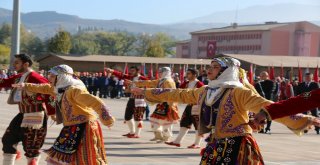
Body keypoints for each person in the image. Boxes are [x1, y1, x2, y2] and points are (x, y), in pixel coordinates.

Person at [131, 57, 319, 164]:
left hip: (238, 145)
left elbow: (267, 106)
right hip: (216, 143)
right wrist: (146, 91)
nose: (210, 70)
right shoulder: (205, 91)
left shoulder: (239, 93)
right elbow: (179, 94)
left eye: (214, 67)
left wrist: (301, 118)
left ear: (226, 71)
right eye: (209, 67)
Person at [13, 64, 115, 165]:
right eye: (50, 75)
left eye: (53, 76)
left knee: (85, 158)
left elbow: (96, 102)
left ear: (62, 77)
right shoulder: (60, 88)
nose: (49, 78)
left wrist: (107, 120)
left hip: (85, 127)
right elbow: (44, 88)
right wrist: (25, 85)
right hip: (71, 127)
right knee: (59, 157)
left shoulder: (74, 90)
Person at [0, 54, 55, 165]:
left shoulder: (35, 77)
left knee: (31, 147)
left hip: (35, 115)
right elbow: (3, 82)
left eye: (17, 63)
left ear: (26, 64)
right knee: (8, 140)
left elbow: (50, 92)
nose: (14, 65)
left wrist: (52, 111)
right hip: (22, 114)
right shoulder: (19, 77)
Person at [132, 67, 179, 142]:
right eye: (159, 72)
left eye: (161, 72)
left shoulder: (169, 81)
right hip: (161, 103)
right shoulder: (162, 80)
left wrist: (171, 105)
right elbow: (150, 83)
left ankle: (166, 137)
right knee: (155, 120)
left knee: (166, 122)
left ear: (165, 72)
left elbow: (171, 93)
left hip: (168, 104)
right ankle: (158, 135)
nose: (159, 74)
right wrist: (136, 82)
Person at [165, 68, 204, 149]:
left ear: (194, 75)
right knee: (184, 123)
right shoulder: (186, 83)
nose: (187, 75)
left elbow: (203, 95)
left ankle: (197, 143)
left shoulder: (200, 84)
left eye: (189, 73)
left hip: (197, 106)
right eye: (187, 73)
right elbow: (178, 91)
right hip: (189, 106)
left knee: (197, 125)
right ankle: (177, 142)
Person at [106, 66, 148, 138]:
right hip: (131, 98)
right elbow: (121, 75)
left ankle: (137, 134)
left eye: (133, 71)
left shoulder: (143, 79)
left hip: (140, 100)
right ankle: (132, 132)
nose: (131, 72)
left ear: (137, 71)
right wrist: (112, 71)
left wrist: (139, 90)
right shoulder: (130, 77)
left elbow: (148, 88)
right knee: (127, 116)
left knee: (138, 117)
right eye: (131, 71)